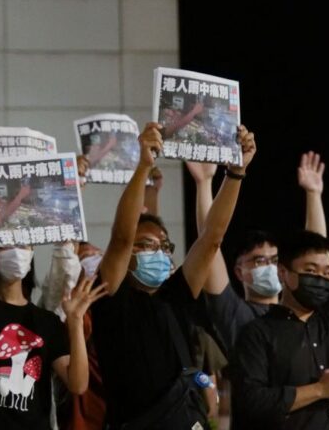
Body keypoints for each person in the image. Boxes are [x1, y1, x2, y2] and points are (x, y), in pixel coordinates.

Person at [92, 122, 256, 429]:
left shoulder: (176, 295)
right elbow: (121, 238)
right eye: (147, 245)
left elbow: (212, 238)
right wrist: (143, 166)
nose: (158, 253)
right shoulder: (110, 296)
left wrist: (235, 173)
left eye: (165, 247)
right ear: (128, 257)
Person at [230, 173, 329, 429]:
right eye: (311, 271)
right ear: (284, 273)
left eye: (327, 272)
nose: (321, 279)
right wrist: (319, 389)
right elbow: (251, 403)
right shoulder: (257, 334)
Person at [0, 195, 106, 429]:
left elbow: (77, 383)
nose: (17, 251)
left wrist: (75, 321)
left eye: (23, 243)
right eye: (7, 242)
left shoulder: (45, 321)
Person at [195, 151, 327, 352]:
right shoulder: (234, 314)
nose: (269, 267)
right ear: (239, 271)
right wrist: (204, 183)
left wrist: (314, 194)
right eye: (259, 261)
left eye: (274, 260)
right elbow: (208, 244)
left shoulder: (297, 309)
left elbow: (315, 256)